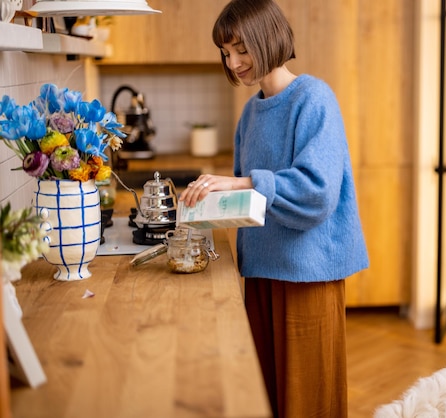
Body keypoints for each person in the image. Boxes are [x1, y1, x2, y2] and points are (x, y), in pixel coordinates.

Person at [179, 0, 368, 416]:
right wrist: (203, 203)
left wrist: (242, 180)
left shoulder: (314, 99)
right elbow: (251, 201)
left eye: (240, 48)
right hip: (261, 272)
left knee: (308, 402)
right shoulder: (250, 113)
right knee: (264, 396)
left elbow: (316, 193)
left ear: (267, 39)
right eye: (226, 53)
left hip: (306, 275)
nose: (234, 62)